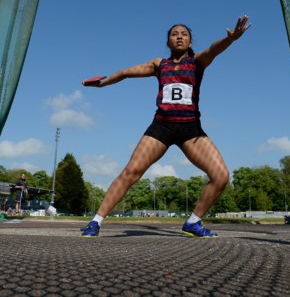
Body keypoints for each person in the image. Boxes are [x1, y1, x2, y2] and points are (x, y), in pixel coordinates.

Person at [81, 15, 251, 237]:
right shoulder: (159, 64)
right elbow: (125, 73)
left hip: (191, 130)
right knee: (131, 172)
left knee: (221, 176)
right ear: (168, 41)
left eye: (184, 34)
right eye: (174, 34)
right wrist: (103, 83)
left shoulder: (197, 61)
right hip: (161, 128)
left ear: (190, 42)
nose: (179, 37)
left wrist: (232, 39)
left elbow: (213, 49)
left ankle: (193, 222)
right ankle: (95, 222)